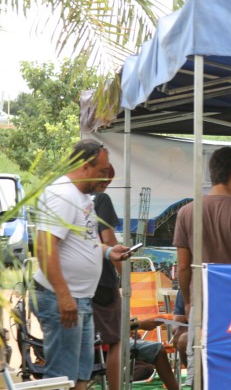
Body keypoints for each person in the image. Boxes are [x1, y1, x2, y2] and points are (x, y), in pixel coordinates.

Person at [31, 139, 132, 389]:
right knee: (63, 376)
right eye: (101, 172)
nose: (104, 179)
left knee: (81, 375)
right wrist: (64, 296)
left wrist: (109, 253)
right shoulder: (61, 194)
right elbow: (45, 247)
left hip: (81, 298)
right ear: (85, 166)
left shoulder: (83, 197)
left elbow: (85, 243)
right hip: (63, 298)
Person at [174, 146, 231, 386]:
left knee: (198, 371)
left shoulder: (185, 213)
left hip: (201, 304)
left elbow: (183, 267)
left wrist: (189, 301)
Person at [90, 164, 122, 390]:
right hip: (103, 280)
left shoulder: (68, 197)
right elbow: (109, 240)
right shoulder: (101, 199)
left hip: (77, 282)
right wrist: (125, 276)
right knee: (116, 339)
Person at [129, 318, 179, 390]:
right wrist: (139, 324)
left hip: (117, 343)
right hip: (114, 344)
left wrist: (133, 326)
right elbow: (113, 327)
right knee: (158, 349)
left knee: (148, 365)